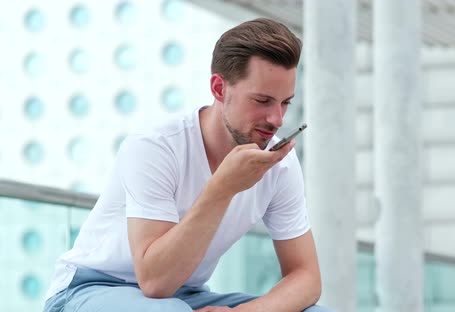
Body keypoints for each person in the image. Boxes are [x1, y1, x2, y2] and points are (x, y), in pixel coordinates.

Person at [43, 18, 332, 312]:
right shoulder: (156, 146)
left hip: (185, 294)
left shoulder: (280, 164)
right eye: (262, 100)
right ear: (219, 88)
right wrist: (223, 187)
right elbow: (155, 283)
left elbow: (306, 277)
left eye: (285, 103)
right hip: (92, 288)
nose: (277, 119)